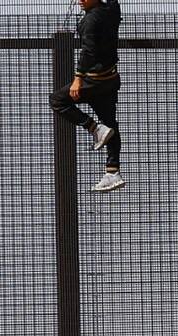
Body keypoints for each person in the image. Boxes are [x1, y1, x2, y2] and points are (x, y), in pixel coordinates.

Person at [49, 0, 126, 193]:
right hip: (110, 78)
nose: (80, 0)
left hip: (94, 81)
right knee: (110, 123)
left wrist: (78, 78)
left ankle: (94, 129)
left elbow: (88, 51)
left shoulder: (91, 20)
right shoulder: (112, 10)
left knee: (57, 100)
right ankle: (112, 172)